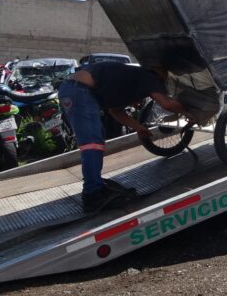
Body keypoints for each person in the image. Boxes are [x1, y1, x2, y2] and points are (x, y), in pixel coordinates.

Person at [58, 62, 192, 213]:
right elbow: (166, 103)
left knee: (95, 142)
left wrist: (138, 127)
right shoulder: (149, 77)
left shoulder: (131, 80)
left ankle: (95, 187)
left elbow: (116, 111)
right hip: (79, 91)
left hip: (74, 89)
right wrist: (188, 111)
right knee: (92, 144)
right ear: (162, 73)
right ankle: (92, 195)